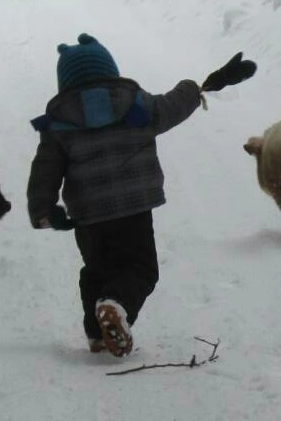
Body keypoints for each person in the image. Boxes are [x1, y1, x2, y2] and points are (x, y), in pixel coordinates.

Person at [27, 33, 255, 356]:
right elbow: (174, 105)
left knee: (96, 270)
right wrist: (204, 85)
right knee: (140, 269)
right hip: (132, 209)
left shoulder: (58, 123)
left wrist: (44, 210)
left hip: (88, 216)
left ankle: (97, 335)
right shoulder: (136, 104)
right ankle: (116, 306)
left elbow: (45, 171)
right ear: (110, 70)